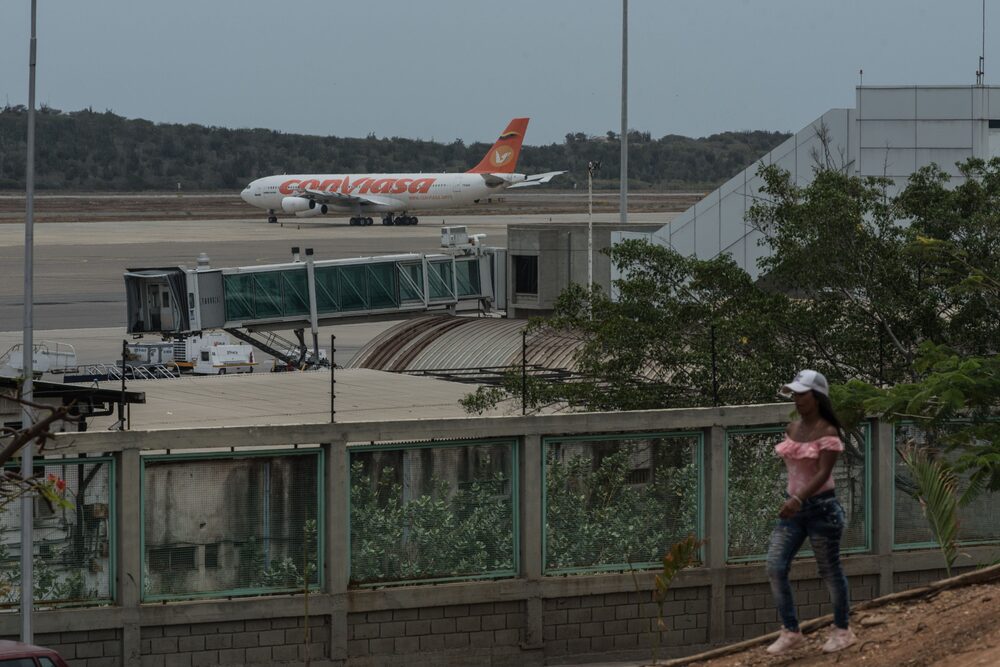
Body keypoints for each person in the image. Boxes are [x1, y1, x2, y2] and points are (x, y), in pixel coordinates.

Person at [765, 369, 857, 655]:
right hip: (795, 509)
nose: (797, 399)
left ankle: (843, 630)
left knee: (829, 570)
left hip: (821, 510)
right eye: (794, 394)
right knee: (775, 566)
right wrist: (792, 499)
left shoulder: (828, 433)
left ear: (816, 398)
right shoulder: (792, 429)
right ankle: (791, 631)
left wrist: (797, 499)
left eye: (802, 394)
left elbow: (823, 473)